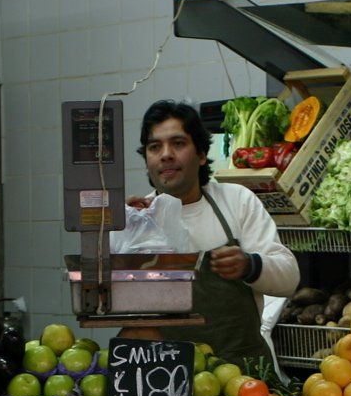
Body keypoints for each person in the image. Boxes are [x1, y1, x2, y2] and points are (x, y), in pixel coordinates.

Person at [126, 99, 299, 369]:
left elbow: (289, 277)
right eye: (154, 147)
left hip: (245, 375)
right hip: (168, 376)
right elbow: (122, 309)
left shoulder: (236, 200)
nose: (166, 154)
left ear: (202, 154)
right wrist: (126, 234)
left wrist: (249, 265)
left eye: (178, 143)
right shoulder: (138, 219)